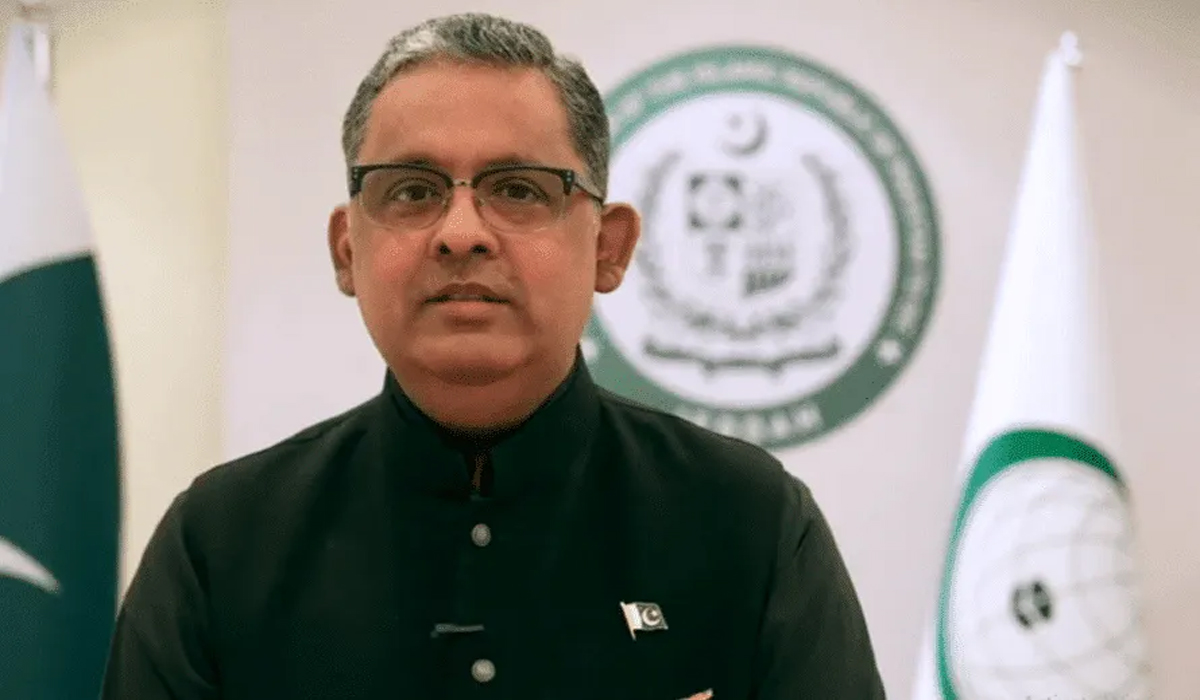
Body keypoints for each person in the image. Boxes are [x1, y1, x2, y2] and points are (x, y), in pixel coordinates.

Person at [100, 12, 886, 700]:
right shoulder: (223, 543)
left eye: (518, 189)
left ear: (608, 248)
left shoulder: (747, 523)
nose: (461, 233)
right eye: (412, 190)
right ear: (347, 251)